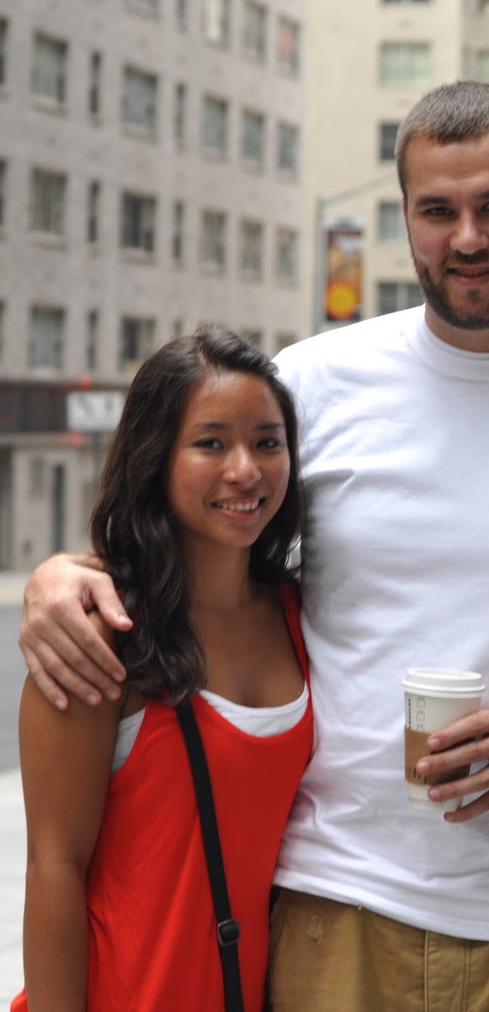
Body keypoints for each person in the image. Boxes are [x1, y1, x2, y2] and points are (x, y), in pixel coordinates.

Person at [18, 81, 489, 1011]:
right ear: (404, 217)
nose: (467, 238)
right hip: (334, 910)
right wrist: (63, 575)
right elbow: (207, 531)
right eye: (437, 210)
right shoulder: (310, 383)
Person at [14, 327, 312, 1012]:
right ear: (156, 458)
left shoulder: (300, 618)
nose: (246, 469)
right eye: (211, 443)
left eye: (268, 442)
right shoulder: (99, 637)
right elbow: (53, 868)